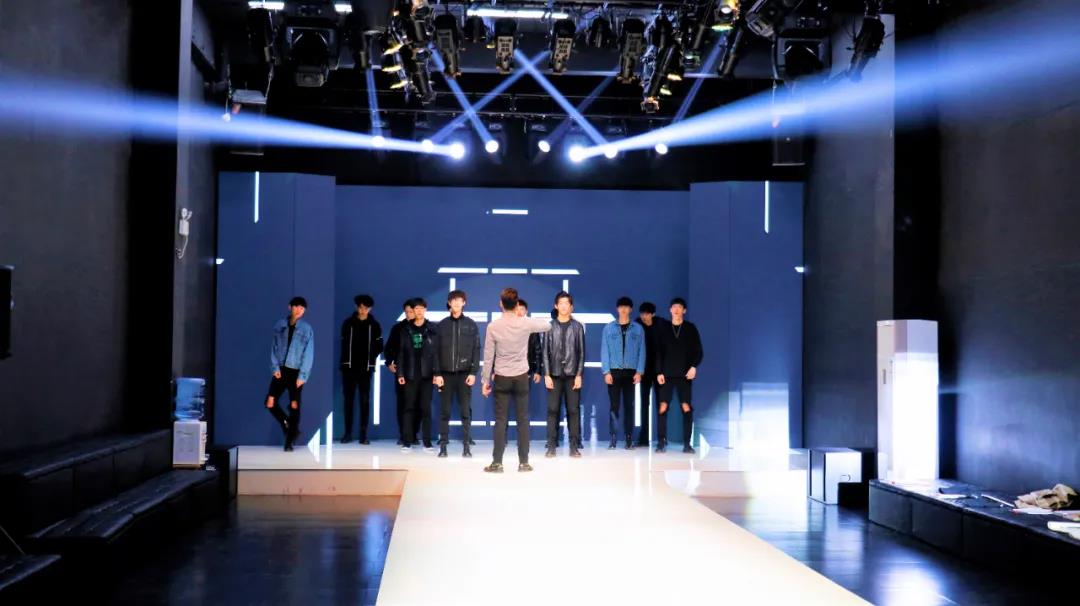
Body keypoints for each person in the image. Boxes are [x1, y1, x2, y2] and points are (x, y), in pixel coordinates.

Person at [481, 287, 552, 473]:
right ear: (516, 304)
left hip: (502, 377)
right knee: (523, 420)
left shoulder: (493, 326)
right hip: (521, 376)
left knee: (500, 420)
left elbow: (488, 357)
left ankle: (497, 463)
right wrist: (525, 318)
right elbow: (547, 326)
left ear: (501, 304)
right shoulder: (525, 323)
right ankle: (524, 463)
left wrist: (485, 381)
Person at [433, 290, 480, 458]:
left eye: (460, 300)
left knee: (465, 412)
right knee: (444, 411)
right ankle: (443, 446)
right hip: (445, 375)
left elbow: (476, 350)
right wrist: (437, 373)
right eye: (453, 301)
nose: (457, 303)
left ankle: (466, 446)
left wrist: (473, 372)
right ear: (449, 303)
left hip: (464, 374)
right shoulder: (442, 325)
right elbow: (435, 352)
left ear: (464, 303)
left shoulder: (471, 324)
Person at [654, 297, 703, 454]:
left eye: (679, 307)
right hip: (666, 375)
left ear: (684, 310)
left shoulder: (690, 328)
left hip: (684, 375)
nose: (676, 310)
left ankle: (687, 444)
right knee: (663, 407)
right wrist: (659, 372)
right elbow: (658, 352)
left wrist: (693, 367)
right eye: (674, 307)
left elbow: (698, 350)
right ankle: (661, 442)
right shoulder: (663, 328)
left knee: (686, 407)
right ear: (670, 310)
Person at [266, 296, 314, 452]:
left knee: (294, 405)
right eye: (296, 307)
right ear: (290, 307)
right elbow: (273, 347)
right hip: (280, 370)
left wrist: (303, 375)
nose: (299, 310)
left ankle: (289, 441)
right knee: (270, 402)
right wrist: (274, 368)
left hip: (296, 372)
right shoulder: (280, 325)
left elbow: (309, 354)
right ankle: (288, 426)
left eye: (302, 308)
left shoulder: (307, 329)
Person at [543, 291, 586, 458]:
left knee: (573, 411)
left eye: (566, 303)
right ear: (556, 306)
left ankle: (574, 447)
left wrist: (579, 374)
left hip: (572, 375)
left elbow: (581, 353)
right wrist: (546, 374)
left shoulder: (577, 327)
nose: (563, 306)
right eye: (560, 303)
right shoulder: (549, 326)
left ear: (571, 307)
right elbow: (545, 353)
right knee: (552, 410)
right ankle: (551, 446)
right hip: (553, 374)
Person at [601, 296, 645, 450]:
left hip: (630, 373)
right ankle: (613, 438)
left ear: (631, 309)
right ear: (617, 309)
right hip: (614, 372)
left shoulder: (638, 329)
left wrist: (639, 371)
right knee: (614, 406)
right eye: (621, 306)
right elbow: (604, 351)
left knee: (629, 406)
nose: (624, 309)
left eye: (626, 306)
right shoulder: (608, 328)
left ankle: (628, 439)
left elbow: (642, 351)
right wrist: (606, 372)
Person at [339, 294, 383, 444]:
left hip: (366, 369)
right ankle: (347, 433)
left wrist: (370, 358)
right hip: (349, 368)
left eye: (366, 308)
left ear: (370, 308)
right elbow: (344, 343)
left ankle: (363, 434)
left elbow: (380, 345)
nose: (363, 310)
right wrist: (346, 361)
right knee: (348, 401)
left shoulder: (374, 325)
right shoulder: (348, 323)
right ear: (357, 307)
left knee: (364, 401)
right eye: (361, 307)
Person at [396, 298, 438, 451]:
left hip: (427, 374)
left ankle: (427, 441)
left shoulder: (433, 329)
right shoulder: (406, 330)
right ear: (412, 311)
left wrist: (437, 373)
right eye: (416, 309)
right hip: (410, 374)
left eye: (421, 308)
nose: (419, 311)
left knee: (426, 408)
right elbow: (401, 353)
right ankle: (407, 441)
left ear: (425, 309)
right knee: (409, 407)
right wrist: (400, 373)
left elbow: (436, 353)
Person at [384, 299, 416, 445]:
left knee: (418, 403)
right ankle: (403, 434)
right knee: (402, 403)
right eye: (406, 312)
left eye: (411, 311)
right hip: (401, 371)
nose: (409, 314)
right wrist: (389, 363)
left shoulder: (423, 327)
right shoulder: (397, 328)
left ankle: (414, 434)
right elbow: (388, 348)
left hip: (419, 372)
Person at [635, 301, 661, 446]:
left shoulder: (660, 325)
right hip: (644, 371)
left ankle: (661, 438)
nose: (644, 316)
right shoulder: (637, 325)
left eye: (647, 314)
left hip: (658, 371)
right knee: (644, 404)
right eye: (642, 314)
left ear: (653, 314)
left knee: (661, 404)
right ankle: (643, 438)